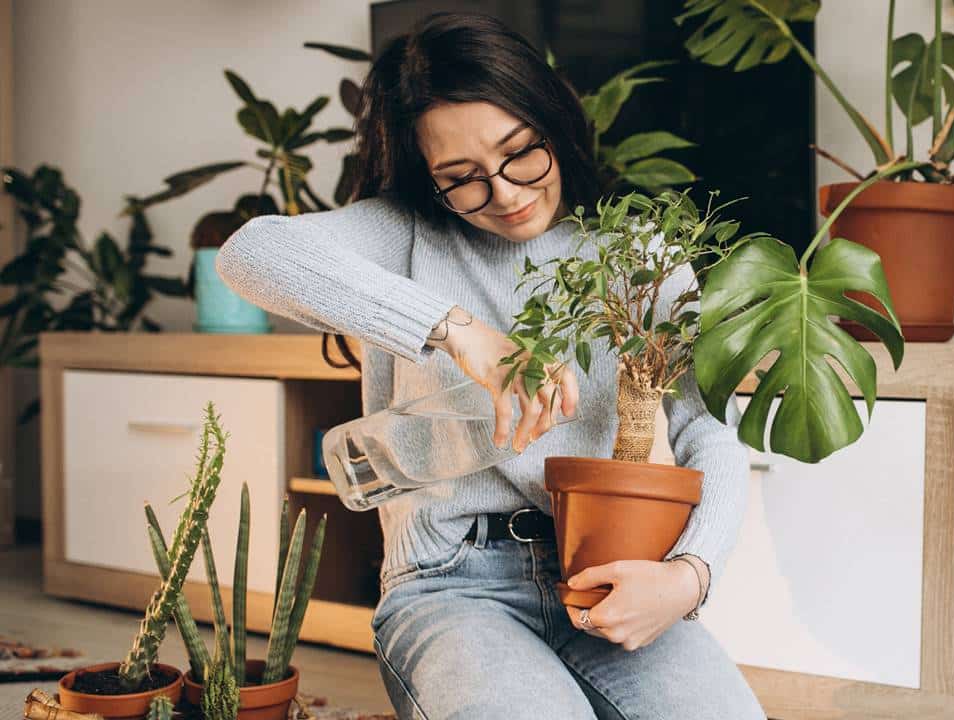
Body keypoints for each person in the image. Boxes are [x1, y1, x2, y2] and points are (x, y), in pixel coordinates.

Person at [216, 11, 764, 720]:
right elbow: (250, 254)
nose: (504, 193)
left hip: (610, 567)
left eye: (520, 152)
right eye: (462, 177)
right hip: (450, 581)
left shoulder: (641, 251)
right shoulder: (405, 233)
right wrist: (456, 330)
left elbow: (706, 430)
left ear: (553, 121)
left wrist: (688, 578)